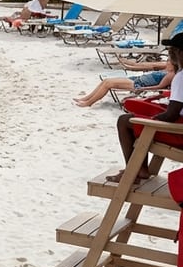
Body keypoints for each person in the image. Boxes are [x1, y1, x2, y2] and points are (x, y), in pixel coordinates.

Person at [107, 34, 183, 183]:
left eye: (172, 50)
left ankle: (134, 172)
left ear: (180, 53)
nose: (170, 54)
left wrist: (152, 120)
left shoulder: (181, 77)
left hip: (179, 134)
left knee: (124, 121)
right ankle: (139, 169)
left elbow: (171, 115)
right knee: (138, 119)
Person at [73, 69, 173, 108]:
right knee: (106, 81)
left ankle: (89, 103)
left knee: (108, 83)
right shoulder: (169, 70)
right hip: (136, 79)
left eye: (169, 60)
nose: (167, 61)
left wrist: (143, 89)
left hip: (138, 84)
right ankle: (86, 98)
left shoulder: (170, 74)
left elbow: (159, 87)